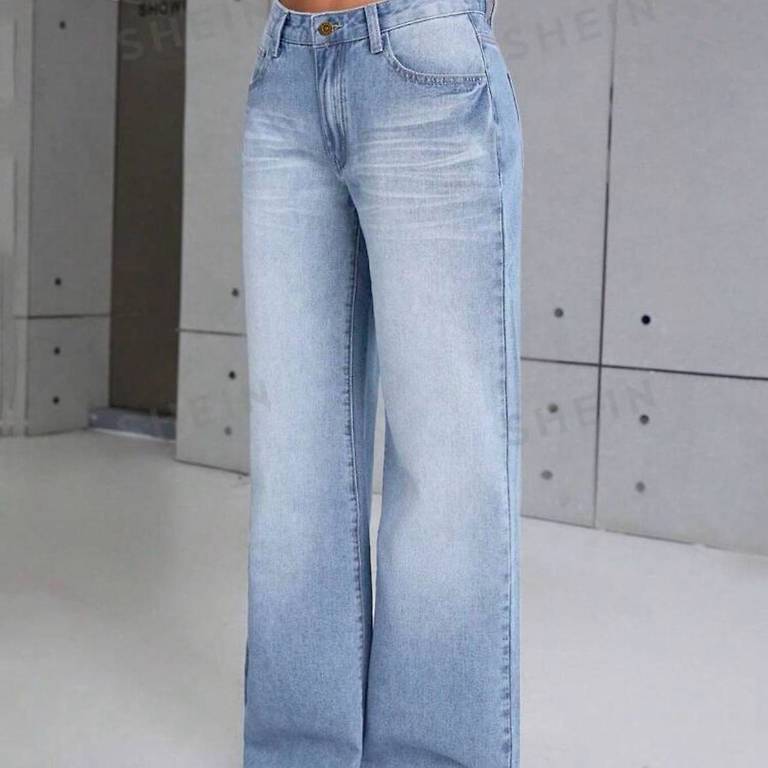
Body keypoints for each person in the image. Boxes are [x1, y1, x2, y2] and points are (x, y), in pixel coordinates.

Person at [240, 0, 523, 765]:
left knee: (448, 469)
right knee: (293, 469)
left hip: (420, 61)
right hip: (285, 63)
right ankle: (297, 751)